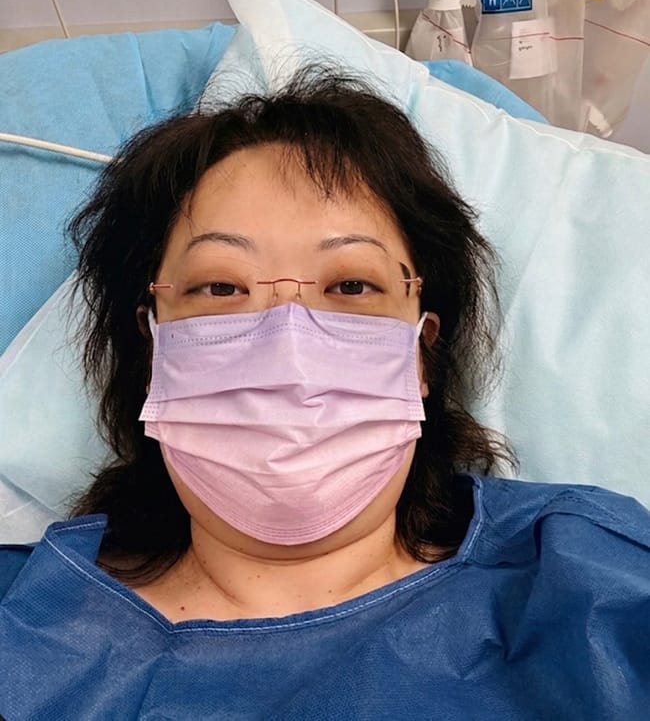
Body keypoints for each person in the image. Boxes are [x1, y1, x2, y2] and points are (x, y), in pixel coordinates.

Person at [1, 68, 648, 719]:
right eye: (220, 287)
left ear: (421, 349)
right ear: (152, 350)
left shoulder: (586, 577)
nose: (289, 348)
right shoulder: (28, 629)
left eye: (351, 286)